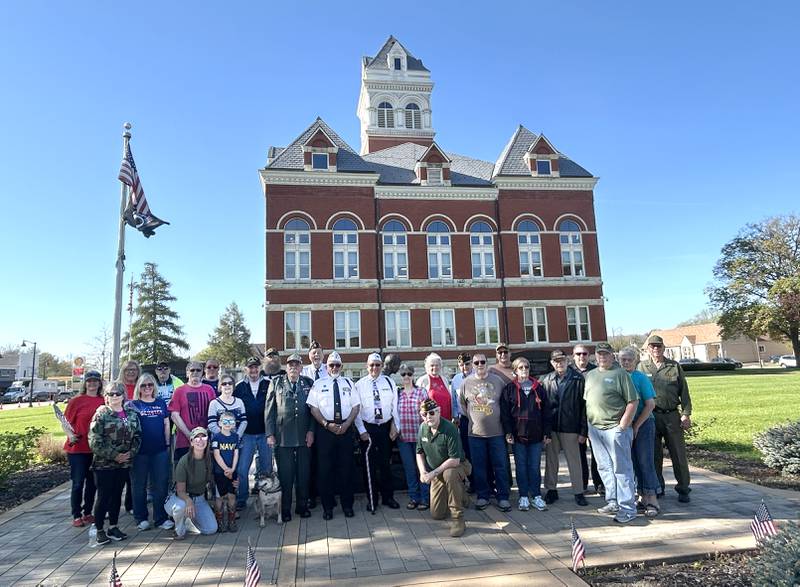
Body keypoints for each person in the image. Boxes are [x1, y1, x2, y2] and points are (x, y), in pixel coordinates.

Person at [584, 342, 639, 524]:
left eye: (606, 354)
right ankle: (613, 501)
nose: (602, 357)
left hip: (614, 429)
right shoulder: (590, 376)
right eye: (599, 354)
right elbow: (589, 401)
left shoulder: (621, 374)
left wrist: (623, 426)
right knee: (604, 467)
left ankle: (628, 508)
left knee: (621, 469)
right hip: (595, 429)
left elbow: (633, 401)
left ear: (612, 356)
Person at [638, 334, 693, 503]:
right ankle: (658, 487)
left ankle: (683, 488)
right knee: (654, 455)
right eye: (652, 346)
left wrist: (686, 414)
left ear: (663, 348)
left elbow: (684, 392)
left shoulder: (674, 366)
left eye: (659, 346)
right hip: (651, 416)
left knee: (678, 454)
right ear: (647, 349)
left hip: (671, 416)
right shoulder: (642, 367)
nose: (656, 349)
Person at [306, 351, 360, 519]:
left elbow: (356, 406)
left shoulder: (349, 383)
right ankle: (327, 508)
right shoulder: (318, 384)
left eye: (337, 365)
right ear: (326, 367)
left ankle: (347, 506)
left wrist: (347, 424)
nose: (334, 368)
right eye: (331, 365)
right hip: (325, 431)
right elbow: (313, 408)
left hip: (345, 430)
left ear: (341, 366)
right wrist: (326, 424)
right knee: (325, 470)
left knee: (346, 469)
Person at [88, 384, 142, 546]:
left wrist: (129, 454)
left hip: (124, 464)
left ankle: (113, 526)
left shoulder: (131, 414)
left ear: (123, 395)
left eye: (118, 393)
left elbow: (138, 436)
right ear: (106, 396)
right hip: (104, 464)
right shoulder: (102, 414)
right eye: (111, 394)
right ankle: (99, 529)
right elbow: (94, 440)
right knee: (104, 496)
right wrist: (115, 455)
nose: (115, 396)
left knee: (117, 496)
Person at [458, 352, 511, 512]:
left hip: (497, 433)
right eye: (476, 363)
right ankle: (483, 496)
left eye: (482, 362)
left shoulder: (498, 381)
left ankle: (503, 497)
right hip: (475, 434)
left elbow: (505, 403)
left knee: (500, 465)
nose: (480, 365)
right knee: (479, 466)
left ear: (487, 364)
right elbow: (463, 406)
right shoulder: (466, 383)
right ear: (472, 365)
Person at [266, 353, 315, 521]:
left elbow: (314, 411)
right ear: (286, 367)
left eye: (297, 364)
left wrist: (311, 431)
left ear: (301, 367)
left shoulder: (308, 383)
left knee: (303, 474)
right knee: (286, 476)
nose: (293, 367)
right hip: (283, 437)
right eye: (290, 364)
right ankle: (285, 509)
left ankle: (302, 506)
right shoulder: (276, 382)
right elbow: (270, 410)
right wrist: (270, 433)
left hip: (303, 436)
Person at [416, 398, 471, 538]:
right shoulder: (423, 428)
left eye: (432, 413)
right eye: (424, 414)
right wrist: (423, 471)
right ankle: (460, 492)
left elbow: (455, 459)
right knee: (437, 515)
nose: (428, 417)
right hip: (437, 472)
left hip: (459, 466)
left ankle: (458, 518)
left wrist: (432, 473)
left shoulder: (450, 428)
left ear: (439, 411)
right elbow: (419, 453)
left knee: (450, 475)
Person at [539, 350, 588, 506]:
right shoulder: (546, 380)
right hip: (552, 427)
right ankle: (551, 490)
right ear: (552, 363)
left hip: (571, 426)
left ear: (567, 361)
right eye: (556, 361)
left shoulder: (578, 379)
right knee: (551, 461)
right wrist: (544, 430)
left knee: (575, 461)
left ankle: (579, 492)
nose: (559, 363)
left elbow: (584, 407)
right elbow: (543, 407)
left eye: (562, 360)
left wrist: (583, 431)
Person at [501, 357, 550, 512]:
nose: (524, 370)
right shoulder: (509, 389)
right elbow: (505, 414)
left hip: (536, 435)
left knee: (534, 466)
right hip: (518, 435)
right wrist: (508, 432)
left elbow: (546, 412)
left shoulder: (539, 388)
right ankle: (523, 496)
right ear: (515, 370)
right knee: (521, 467)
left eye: (526, 367)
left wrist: (547, 433)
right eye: (521, 367)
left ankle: (536, 495)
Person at [354, 353, 400, 511]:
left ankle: (388, 497)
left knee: (386, 464)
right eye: (371, 365)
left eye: (377, 365)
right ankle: (372, 499)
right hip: (369, 429)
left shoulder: (389, 382)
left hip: (385, 427)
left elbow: (395, 407)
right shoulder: (360, 385)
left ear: (381, 366)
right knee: (370, 467)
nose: (374, 368)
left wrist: (395, 425)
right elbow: (357, 411)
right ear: (367, 366)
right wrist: (361, 430)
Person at [618, 346, 660, 517]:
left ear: (635, 360)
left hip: (643, 422)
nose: (626, 362)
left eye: (629, 359)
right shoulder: (617, 377)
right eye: (623, 359)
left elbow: (650, 404)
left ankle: (652, 498)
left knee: (645, 461)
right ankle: (641, 496)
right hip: (624, 424)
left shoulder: (640, 378)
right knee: (633, 462)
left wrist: (636, 426)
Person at [131, 373, 172, 531]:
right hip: (140, 452)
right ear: (139, 388)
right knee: (139, 485)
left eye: (150, 385)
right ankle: (141, 518)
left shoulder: (161, 403)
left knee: (160, 485)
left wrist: (167, 444)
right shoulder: (133, 405)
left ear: (154, 387)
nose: (147, 388)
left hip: (160, 450)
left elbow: (167, 425)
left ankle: (160, 518)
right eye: (143, 385)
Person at [63, 369, 105, 528]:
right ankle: (76, 514)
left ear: (100, 383)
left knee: (93, 483)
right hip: (78, 449)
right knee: (78, 483)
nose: (92, 383)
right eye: (89, 381)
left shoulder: (103, 401)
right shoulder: (76, 401)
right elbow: (65, 423)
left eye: (95, 381)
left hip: (95, 450)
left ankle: (88, 512)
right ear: (85, 383)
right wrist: (70, 435)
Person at [233, 356, 272, 510]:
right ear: (246, 369)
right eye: (251, 367)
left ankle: (267, 496)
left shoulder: (268, 384)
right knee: (242, 469)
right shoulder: (239, 387)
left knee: (266, 468)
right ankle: (242, 498)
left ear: (260, 368)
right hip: (247, 434)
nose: (254, 370)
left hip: (264, 433)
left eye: (256, 367)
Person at [165, 427, 218, 539]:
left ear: (207, 440)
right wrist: (188, 501)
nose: (200, 440)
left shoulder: (210, 459)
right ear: (191, 442)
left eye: (203, 437)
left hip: (199, 499)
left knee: (211, 529)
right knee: (181, 507)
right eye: (196, 438)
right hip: (180, 498)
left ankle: (189, 521)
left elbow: (214, 481)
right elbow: (180, 491)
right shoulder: (184, 461)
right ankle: (179, 530)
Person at [395, 364, 429, 510]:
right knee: (409, 469)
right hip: (403, 438)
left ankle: (425, 498)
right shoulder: (397, 394)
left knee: (422, 468)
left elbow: (428, 413)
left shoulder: (421, 392)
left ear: (413, 375)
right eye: (403, 374)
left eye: (409, 374)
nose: (406, 377)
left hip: (420, 437)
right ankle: (414, 497)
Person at [169, 362, 216, 464]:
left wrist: (204, 434)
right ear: (187, 373)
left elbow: (214, 413)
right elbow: (174, 415)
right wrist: (190, 435)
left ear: (202, 373)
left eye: (198, 370)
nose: (195, 372)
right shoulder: (179, 391)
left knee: (204, 475)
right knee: (183, 476)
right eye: (192, 370)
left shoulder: (209, 390)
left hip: (205, 441)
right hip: (184, 443)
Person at [573, 344, 603, 496]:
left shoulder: (596, 371)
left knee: (598, 453)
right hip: (577, 419)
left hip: (595, 416)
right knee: (579, 453)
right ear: (573, 356)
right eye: (578, 354)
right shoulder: (570, 372)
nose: (581, 357)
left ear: (589, 355)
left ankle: (599, 483)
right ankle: (583, 484)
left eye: (584, 354)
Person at [300, 340, 326, 509]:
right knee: (308, 461)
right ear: (309, 355)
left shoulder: (329, 370)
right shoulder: (304, 372)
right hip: (307, 421)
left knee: (324, 460)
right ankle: (310, 496)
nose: (316, 355)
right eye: (313, 353)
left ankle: (325, 493)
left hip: (324, 422)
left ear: (323, 355)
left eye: (319, 352)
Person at [114, 360, 139, 515]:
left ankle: (130, 504)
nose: (131, 372)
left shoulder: (142, 386)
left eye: (134, 370)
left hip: (135, 434)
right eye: (128, 369)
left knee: (133, 475)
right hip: (117, 436)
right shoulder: (117, 387)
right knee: (117, 477)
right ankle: (112, 507)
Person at [211, 412, 240, 532]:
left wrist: (232, 469)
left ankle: (231, 521)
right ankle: (220, 521)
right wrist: (225, 469)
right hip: (219, 472)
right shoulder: (216, 437)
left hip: (232, 471)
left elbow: (236, 453)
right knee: (220, 497)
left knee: (232, 495)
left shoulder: (235, 436)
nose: (228, 424)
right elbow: (217, 455)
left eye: (231, 422)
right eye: (225, 422)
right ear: (219, 423)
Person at [450, 353, 473, 483]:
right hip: (464, 419)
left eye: (467, 364)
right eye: (461, 364)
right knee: (467, 451)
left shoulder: (477, 376)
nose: (465, 367)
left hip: (478, 419)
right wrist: (455, 416)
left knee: (479, 452)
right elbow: (454, 400)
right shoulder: (456, 379)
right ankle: (472, 481)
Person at [416, 353, 453, 421]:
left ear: (440, 366)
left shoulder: (445, 380)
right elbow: (417, 403)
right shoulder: (422, 381)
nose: (435, 368)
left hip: (447, 420)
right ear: (427, 367)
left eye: (437, 365)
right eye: (432, 365)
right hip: (431, 421)